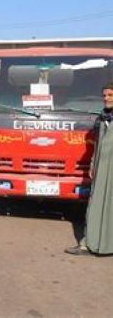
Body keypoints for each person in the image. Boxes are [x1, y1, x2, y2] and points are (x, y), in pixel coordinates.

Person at [66, 82, 113, 256]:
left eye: (110, 95)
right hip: (101, 167)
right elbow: (97, 144)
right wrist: (93, 163)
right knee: (95, 205)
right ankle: (88, 244)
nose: (106, 99)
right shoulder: (102, 118)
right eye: (105, 95)